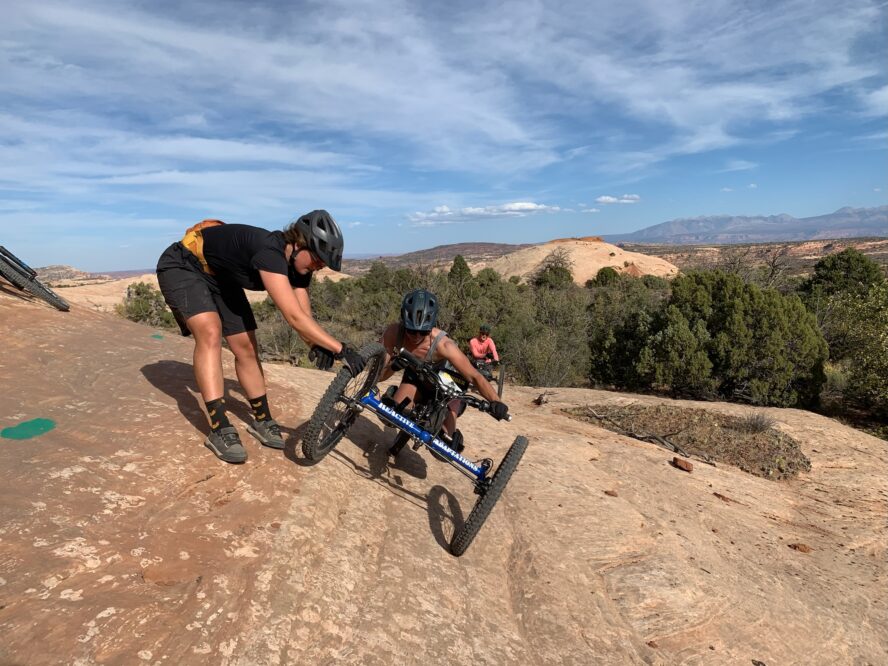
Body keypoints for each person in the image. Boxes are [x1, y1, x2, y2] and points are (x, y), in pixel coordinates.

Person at [156, 210, 365, 464]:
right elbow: (293, 317)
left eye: (321, 265)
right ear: (299, 244)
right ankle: (219, 427)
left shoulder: (299, 267)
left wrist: (316, 344)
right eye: (317, 260)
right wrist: (341, 349)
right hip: (183, 265)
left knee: (245, 345)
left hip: (221, 276)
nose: (318, 267)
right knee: (210, 331)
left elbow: (304, 314)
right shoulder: (270, 253)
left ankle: (262, 420)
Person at [377, 289, 509, 453]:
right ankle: (394, 396)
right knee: (392, 417)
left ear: (431, 327)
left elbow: (474, 376)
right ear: (404, 322)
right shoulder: (394, 333)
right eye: (411, 330)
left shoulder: (444, 345)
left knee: (443, 448)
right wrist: (390, 368)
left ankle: (452, 432)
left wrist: (496, 402)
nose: (416, 336)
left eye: (423, 332)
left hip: (446, 388)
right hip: (416, 380)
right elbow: (378, 374)